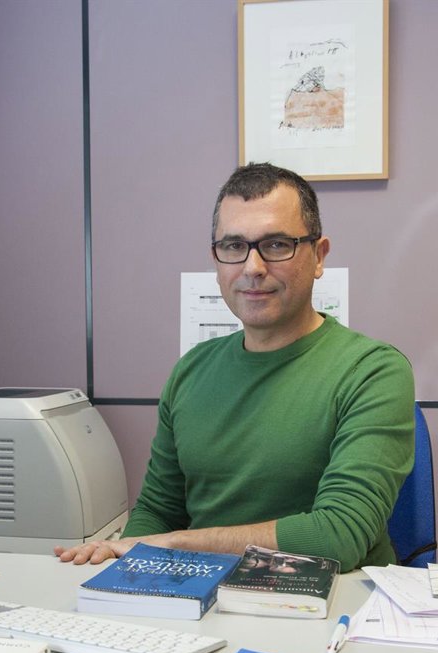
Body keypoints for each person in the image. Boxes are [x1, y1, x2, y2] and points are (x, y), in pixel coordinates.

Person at [55, 163, 415, 571]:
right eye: (233, 246)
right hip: (201, 595)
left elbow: (338, 536)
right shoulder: (191, 371)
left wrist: (176, 544)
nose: (252, 267)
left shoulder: (372, 371)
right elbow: (158, 511)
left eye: (277, 244)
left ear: (318, 256)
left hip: (329, 598)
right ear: (217, 259)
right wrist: (127, 567)